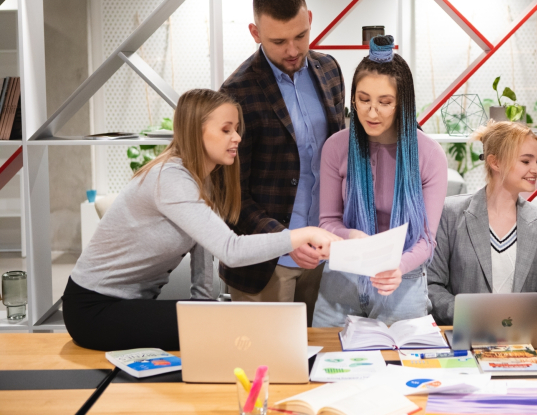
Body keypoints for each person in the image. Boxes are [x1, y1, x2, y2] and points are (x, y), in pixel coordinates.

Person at [62, 89, 339, 351]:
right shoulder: (169, 178)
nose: (237, 138)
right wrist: (301, 235)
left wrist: (206, 315)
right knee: (235, 325)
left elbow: (203, 274)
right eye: (226, 129)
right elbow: (231, 250)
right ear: (197, 132)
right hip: (92, 308)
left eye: (237, 129)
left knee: (227, 323)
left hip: (127, 304)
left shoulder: (204, 182)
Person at [218, 0, 345, 326]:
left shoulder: (330, 70)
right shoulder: (236, 92)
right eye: (278, 41)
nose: (292, 49)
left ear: (310, 19)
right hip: (266, 265)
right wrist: (284, 240)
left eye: (300, 36)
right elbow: (231, 196)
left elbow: (338, 158)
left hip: (324, 256)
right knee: (268, 366)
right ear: (255, 32)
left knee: (321, 361)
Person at [313, 35, 448, 327]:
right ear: (353, 99)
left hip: (402, 282)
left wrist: (396, 268)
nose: (372, 112)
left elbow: (426, 239)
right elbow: (327, 221)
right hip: (342, 280)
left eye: (385, 102)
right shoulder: (336, 148)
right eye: (363, 100)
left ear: (402, 104)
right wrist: (353, 237)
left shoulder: (429, 155)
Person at [427, 120, 537, 326]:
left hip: (524, 339)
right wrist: (474, 317)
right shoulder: (450, 214)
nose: (536, 169)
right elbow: (432, 285)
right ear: (495, 162)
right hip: (465, 339)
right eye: (526, 161)